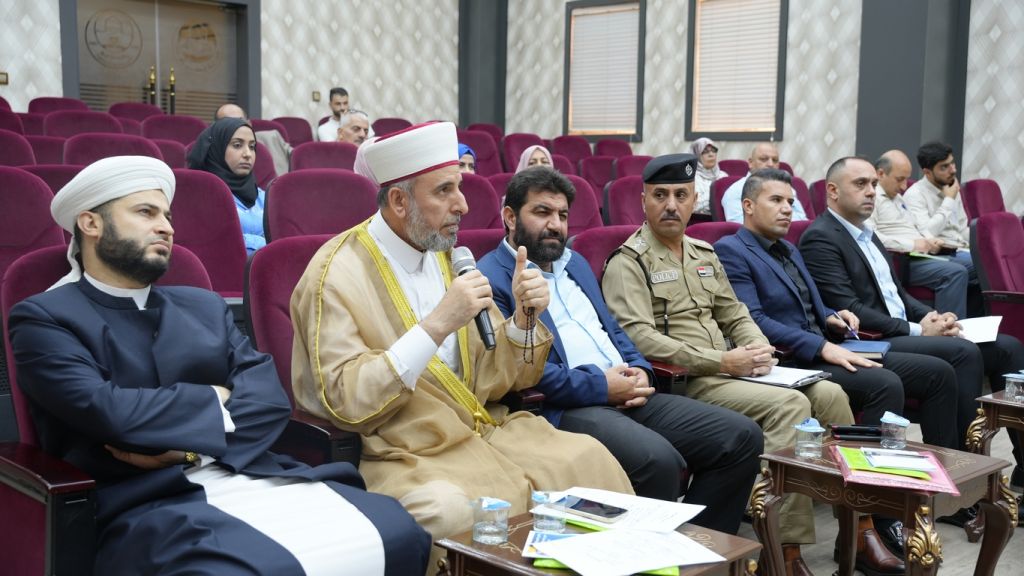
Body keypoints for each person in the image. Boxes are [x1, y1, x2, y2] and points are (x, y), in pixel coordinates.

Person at [8, 156, 431, 575]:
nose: (166, 227)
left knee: (399, 532)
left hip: (251, 471)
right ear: (90, 223)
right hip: (144, 501)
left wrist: (189, 445)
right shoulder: (44, 317)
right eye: (145, 213)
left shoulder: (203, 306)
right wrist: (216, 396)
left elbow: (268, 400)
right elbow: (109, 412)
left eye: (167, 216)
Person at [290, 122, 633, 548]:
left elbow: (494, 378)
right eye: (444, 191)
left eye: (460, 187)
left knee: (590, 458)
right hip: (404, 451)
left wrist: (524, 318)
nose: (463, 205)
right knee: (450, 511)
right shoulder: (335, 274)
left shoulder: (446, 255)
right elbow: (345, 399)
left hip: (485, 429)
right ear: (399, 201)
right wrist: (435, 326)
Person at [602, 153, 856, 576]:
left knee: (831, 394)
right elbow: (638, 337)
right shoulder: (628, 262)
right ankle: (782, 548)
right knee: (791, 407)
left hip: (732, 369)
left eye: (681, 195)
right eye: (660, 196)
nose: (671, 205)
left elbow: (735, 312)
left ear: (694, 199)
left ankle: (857, 526)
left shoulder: (703, 252)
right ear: (643, 201)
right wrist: (722, 360)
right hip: (688, 379)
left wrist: (758, 348)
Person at [477, 166, 763, 534]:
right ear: (510, 217)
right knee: (657, 461)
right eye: (542, 212)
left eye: (562, 215)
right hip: (567, 407)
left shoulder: (575, 263)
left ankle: (694, 547)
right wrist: (603, 387)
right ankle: (645, 556)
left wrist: (640, 368)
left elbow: (612, 329)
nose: (555, 225)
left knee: (741, 437)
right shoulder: (492, 277)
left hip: (627, 390)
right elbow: (522, 370)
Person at [715, 168, 964, 562]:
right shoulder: (731, 250)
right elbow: (754, 319)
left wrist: (833, 314)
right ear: (747, 206)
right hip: (791, 360)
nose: (787, 209)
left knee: (937, 373)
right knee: (884, 384)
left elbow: (809, 303)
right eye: (775, 201)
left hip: (827, 345)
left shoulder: (788, 248)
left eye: (790, 202)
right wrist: (821, 345)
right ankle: (874, 519)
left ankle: (934, 493)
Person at [799, 156, 1024, 494]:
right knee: (962, 353)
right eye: (860, 184)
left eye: (873, 184)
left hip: (902, 327)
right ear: (832, 191)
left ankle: (1023, 470)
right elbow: (851, 309)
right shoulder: (821, 238)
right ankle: (964, 473)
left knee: (1008, 347)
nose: (871, 192)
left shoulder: (867, 234)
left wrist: (933, 316)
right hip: (871, 338)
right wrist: (919, 329)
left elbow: (899, 294)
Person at [868, 150, 974, 319]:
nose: (904, 186)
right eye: (899, 179)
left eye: (906, 179)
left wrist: (929, 240)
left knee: (979, 266)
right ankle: (948, 329)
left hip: (921, 254)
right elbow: (871, 236)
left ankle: (975, 324)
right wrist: (914, 245)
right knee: (956, 272)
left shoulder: (897, 197)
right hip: (900, 260)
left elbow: (916, 226)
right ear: (880, 174)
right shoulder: (871, 198)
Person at [187, 117, 267, 254]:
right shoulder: (200, 194)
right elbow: (218, 241)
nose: (247, 154)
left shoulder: (264, 196)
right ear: (217, 149)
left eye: (252, 147)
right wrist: (265, 243)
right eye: (237, 145)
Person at [902, 142, 971, 253]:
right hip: (941, 252)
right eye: (944, 167)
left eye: (952, 163)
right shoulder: (915, 195)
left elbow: (962, 230)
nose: (953, 170)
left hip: (962, 248)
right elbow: (926, 233)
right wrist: (949, 200)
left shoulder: (951, 187)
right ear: (927, 172)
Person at [721, 142, 809, 223]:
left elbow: (802, 221)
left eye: (775, 160)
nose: (770, 164)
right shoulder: (736, 191)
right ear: (751, 162)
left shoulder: (788, 189)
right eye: (764, 159)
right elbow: (738, 226)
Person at [214, 102, 293, 178]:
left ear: (249, 124)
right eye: (227, 122)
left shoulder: (271, 138)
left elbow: (297, 156)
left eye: (239, 121)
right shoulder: (212, 152)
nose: (235, 126)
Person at [690, 137, 728, 215]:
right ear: (696, 155)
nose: (711, 154)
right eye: (705, 151)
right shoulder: (692, 178)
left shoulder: (724, 176)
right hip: (700, 220)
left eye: (713, 150)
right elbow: (693, 206)